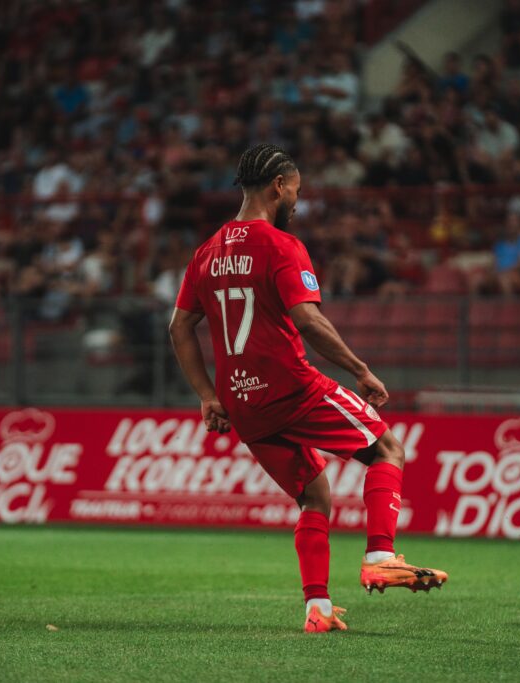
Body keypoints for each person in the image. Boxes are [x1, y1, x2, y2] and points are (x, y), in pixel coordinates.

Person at [169, 144, 448, 635]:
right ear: (278, 186)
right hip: (291, 388)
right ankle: (380, 556)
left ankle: (316, 610)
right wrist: (360, 368)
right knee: (386, 447)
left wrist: (208, 395)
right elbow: (309, 319)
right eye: (296, 190)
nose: (298, 200)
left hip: (244, 404)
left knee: (314, 497)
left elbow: (178, 327)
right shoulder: (280, 245)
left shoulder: (206, 251)